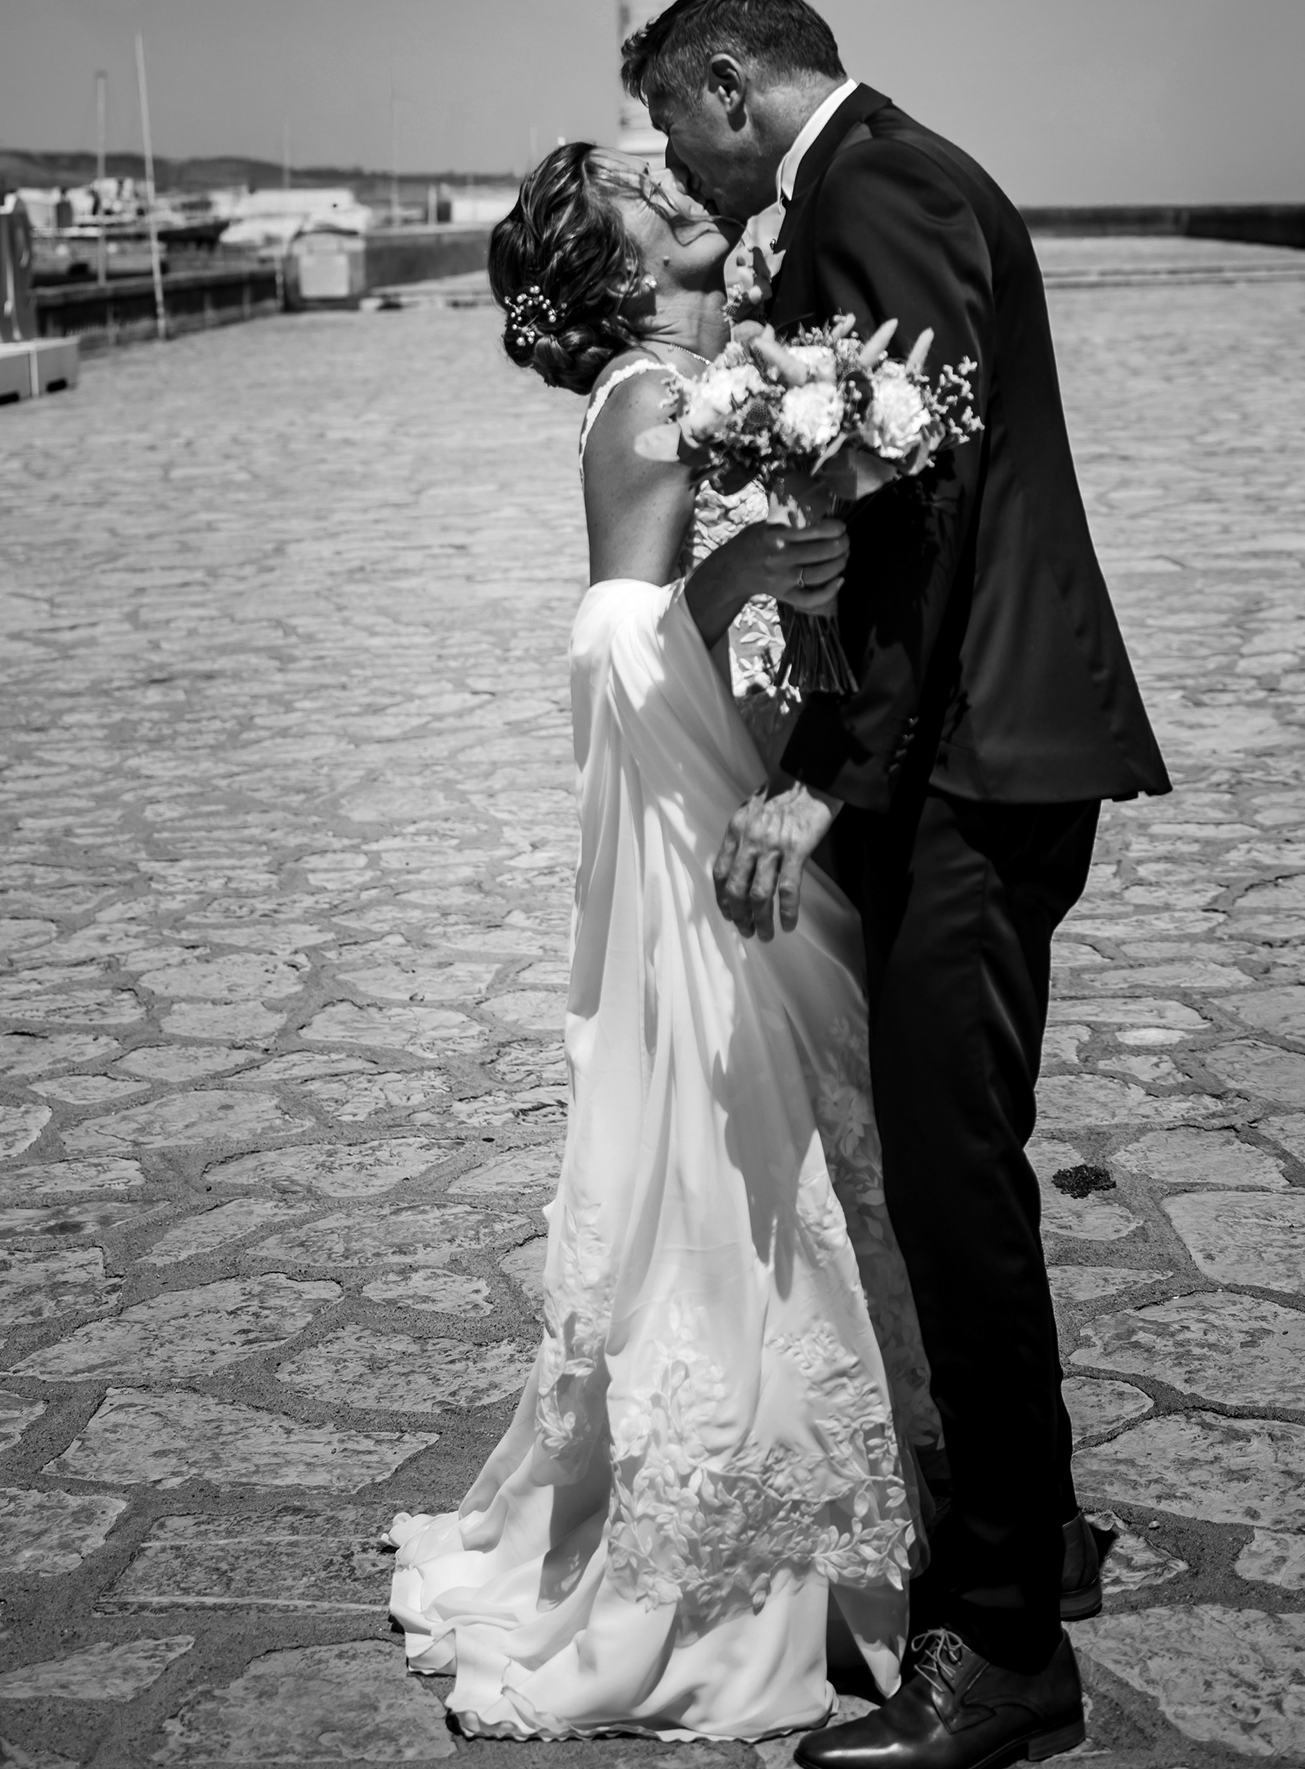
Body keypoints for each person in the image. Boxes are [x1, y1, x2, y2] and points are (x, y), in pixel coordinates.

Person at [626, 0, 1171, 1769]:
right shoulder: (873, 186)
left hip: (972, 764)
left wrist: (822, 783)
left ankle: (1004, 1647)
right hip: (953, 758)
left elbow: (920, 506)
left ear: (729, 81)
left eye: (673, 123)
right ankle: (1038, 1537)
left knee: (954, 1193)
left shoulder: (887, 186)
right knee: (953, 1180)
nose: (676, 165)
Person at [388, 142, 939, 1743]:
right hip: (698, 806)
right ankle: (744, 1542)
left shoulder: (706, 380)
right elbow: (617, 631)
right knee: (740, 1146)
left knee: (784, 1138)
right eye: (640, 181)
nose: (675, 179)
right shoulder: (651, 401)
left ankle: (851, 1497)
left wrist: (768, 560)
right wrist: (756, 564)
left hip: (731, 770)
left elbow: (676, 609)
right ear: (617, 263)